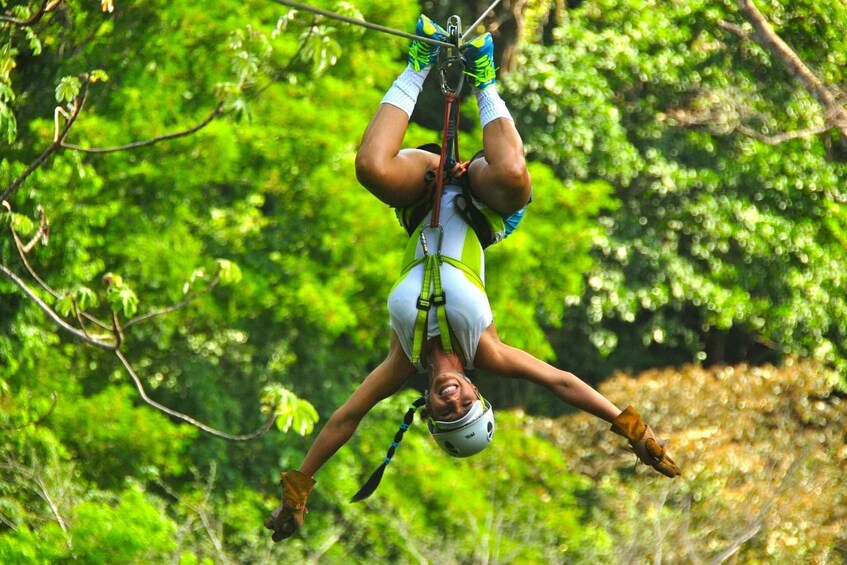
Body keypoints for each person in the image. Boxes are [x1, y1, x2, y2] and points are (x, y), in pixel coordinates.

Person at [264, 15, 679, 543]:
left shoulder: (401, 360)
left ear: (431, 413)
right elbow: (561, 383)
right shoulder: (487, 350)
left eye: (447, 412)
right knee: (514, 177)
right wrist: (631, 431)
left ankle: (417, 64)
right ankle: (483, 78)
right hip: (485, 205)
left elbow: (345, 420)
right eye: (466, 406)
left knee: (370, 166)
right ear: (477, 394)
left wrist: (298, 491)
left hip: (422, 197)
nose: (453, 399)